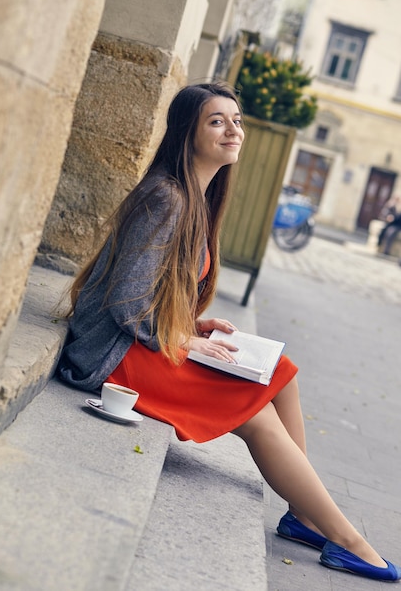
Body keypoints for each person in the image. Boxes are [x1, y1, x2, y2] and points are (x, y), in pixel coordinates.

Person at [57, 82, 401, 582]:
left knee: (281, 371)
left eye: (236, 120)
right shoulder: (166, 197)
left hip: (142, 337)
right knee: (256, 415)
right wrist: (183, 340)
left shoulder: (197, 197)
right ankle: (348, 539)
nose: (233, 129)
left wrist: (191, 324)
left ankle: (305, 515)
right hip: (111, 354)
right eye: (217, 121)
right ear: (187, 135)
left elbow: (147, 290)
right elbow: (126, 301)